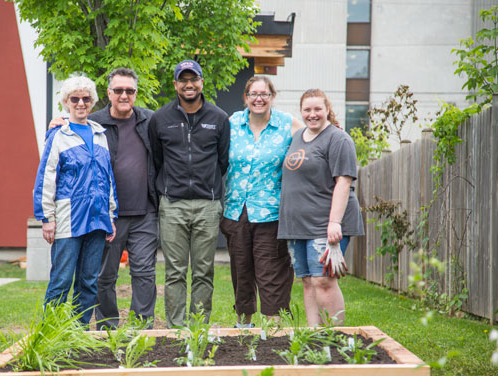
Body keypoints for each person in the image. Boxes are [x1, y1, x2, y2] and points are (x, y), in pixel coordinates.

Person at [48, 68, 158, 330]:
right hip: (106, 215)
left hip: (145, 212)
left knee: (144, 273)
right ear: (108, 93)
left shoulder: (151, 121)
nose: (123, 95)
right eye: (118, 90)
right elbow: (72, 125)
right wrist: (58, 121)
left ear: (136, 94)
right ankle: (108, 328)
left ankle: (140, 330)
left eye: (129, 91)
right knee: (102, 277)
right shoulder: (95, 123)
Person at [149, 59, 230, 327]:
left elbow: (222, 161)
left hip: (207, 205)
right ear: (175, 84)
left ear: (202, 82)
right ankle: (175, 329)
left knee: (204, 271)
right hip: (172, 205)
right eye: (183, 80)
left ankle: (198, 328)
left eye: (193, 79)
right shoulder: (160, 119)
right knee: (174, 272)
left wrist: (208, 188)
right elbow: (157, 160)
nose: (188, 85)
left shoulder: (218, 118)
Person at [33, 75, 117, 326]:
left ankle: (77, 333)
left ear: (92, 102)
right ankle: (51, 334)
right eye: (75, 98)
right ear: (66, 102)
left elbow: (108, 178)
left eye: (86, 98)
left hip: (97, 218)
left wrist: (111, 215)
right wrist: (47, 217)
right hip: (69, 218)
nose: (81, 103)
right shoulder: (58, 135)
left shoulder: (100, 135)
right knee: (61, 280)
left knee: (89, 281)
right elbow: (46, 178)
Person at [220, 76, 304, 328]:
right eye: (253, 94)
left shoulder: (287, 124)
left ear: (272, 97)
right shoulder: (232, 123)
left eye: (264, 94)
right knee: (241, 269)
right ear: (246, 97)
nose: (259, 98)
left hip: (271, 213)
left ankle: (273, 325)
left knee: (271, 270)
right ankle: (243, 323)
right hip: (236, 211)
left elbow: (315, 140)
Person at [278, 88, 364, 327]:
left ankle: (334, 338)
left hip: (326, 225)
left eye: (318, 109)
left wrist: (334, 222)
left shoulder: (338, 139)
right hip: (298, 226)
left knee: (324, 282)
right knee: (307, 281)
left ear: (327, 110)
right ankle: (314, 335)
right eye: (307, 109)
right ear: (301, 111)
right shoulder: (298, 136)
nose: (312, 114)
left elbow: (344, 182)